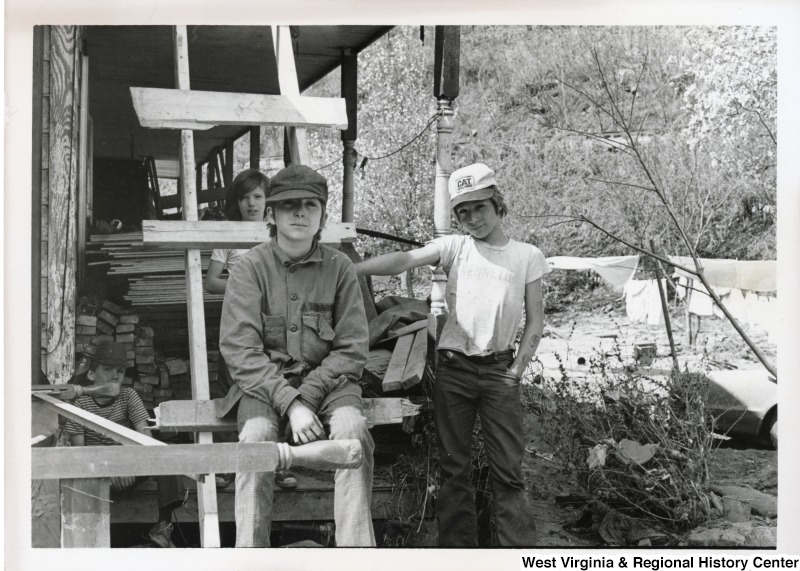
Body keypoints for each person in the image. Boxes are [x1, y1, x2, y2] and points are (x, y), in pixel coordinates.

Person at [355, 162, 549, 546]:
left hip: (499, 374)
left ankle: (518, 554)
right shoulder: (455, 248)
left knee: (508, 472)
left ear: (497, 204)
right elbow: (406, 260)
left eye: (480, 208)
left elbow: (536, 323)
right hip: (454, 372)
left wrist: (516, 372)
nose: (473, 218)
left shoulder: (527, 256)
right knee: (453, 470)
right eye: (463, 212)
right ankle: (459, 555)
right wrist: (352, 268)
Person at [217, 164, 375, 547]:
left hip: (331, 383)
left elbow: (352, 348)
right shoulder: (249, 268)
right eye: (289, 205)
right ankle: (251, 556)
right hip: (262, 386)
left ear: (322, 214)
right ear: (271, 214)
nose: (300, 213)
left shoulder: (340, 269)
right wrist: (291, 403)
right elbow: (240, 351)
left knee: (354, 434)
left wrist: (306, 397)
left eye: (310, 205)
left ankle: (358, 555)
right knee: (255, 440)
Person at [204, 169, 296, 490]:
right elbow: (212, 281)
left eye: (258, 197)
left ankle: (276, 463)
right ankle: (230, 465)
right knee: (229, 389)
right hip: (236, 324)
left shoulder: (276, 234)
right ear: (237, 202)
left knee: (277, 383)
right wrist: (244, 283)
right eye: (245, 198)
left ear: (268, 201)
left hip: (270, 325)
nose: (252, 203)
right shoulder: (228, 236)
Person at [63, 340, 186, 548]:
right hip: (97, 474)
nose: (114, 376)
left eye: (120, 371)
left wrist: (128, 464)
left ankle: (163, 527)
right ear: (92, 374)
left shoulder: (128, 396)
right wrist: (109, 469)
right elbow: (80, 455)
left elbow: (146, 440)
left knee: (165, 455)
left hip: (129, 469)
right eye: (107, 369)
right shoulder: (80, 404)